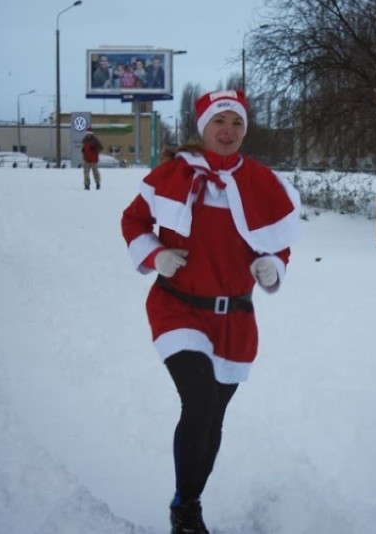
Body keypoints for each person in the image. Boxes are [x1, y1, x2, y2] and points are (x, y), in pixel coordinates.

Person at [120, 89, 302, 534]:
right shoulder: (172, 174)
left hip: (235, 320)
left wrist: (272, 266)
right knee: (199, 402)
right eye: (220, 122)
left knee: (214, 417)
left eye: (237, 123)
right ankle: (187, 515)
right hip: (177, 308)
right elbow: (133, 221)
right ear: (203, 128)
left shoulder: (263, 181)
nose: (228, 131)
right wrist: (155, 254)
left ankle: (188, 501)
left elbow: (279, 241)